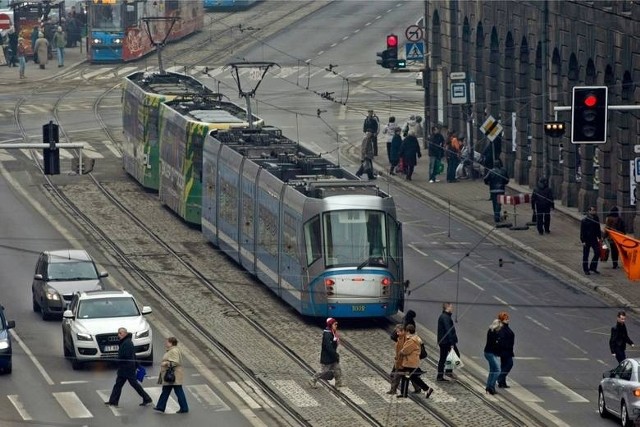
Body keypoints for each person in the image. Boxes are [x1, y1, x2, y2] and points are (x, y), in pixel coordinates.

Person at [106, 327, 153, 407]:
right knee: (118, 385)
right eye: (118, 333)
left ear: (125, 333)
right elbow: (133, 355)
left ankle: (147, 398)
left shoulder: (127, 343)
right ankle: (113, 401)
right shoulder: (125, 342)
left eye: (120, 333)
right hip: (125, 368)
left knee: (134, 384)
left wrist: (115, 360)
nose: (119, 335)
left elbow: (126, 356)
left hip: (127, 369)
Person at [397, 324, 434, 399]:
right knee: (412, 377)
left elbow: (405, 351)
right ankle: (426, 389)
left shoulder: (411, 341)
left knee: (407, 377)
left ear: (408, 331)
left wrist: (400, 352)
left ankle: (405, 393)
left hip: (409, 362)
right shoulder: (416, 338)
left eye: (406, 331)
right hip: (412, 361)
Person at [154, 337, 189, 414]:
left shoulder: (174, 351)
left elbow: (176, 362)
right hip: (172, 375)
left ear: (171, 343)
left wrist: (166, 363)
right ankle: (160, 407)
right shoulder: (173, 350)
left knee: (178, 391)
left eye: (167, 342)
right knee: (166, 391)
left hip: (173, 375)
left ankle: (184, 408)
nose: (165, 343)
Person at [309, 318, 343, 388]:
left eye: (336, 324)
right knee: (323, 372)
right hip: (327, 357)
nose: (336, 326)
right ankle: (313, 380)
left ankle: (338, 382)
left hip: (332, 357)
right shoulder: (327, 335)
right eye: (335, 324)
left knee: (337, 369)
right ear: (331, 325)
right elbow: (328, 347)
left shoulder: (332, 333)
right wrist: (335, 354)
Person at [436, 302, 459, 381]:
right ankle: (448, 372)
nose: (452, 308)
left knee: (443, 358)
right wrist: (452, 343)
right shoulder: (445, 317)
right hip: (446, 342)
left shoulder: (445, 316)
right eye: (451, 307)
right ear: (447, 307)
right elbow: (448, 331)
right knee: (455, 355)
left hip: (443, 341)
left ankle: (441, 375)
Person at [483, 159, 509, 224]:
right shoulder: (503, 171)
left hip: (493, 190)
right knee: (499, 203)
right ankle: (497, 216)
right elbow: (507, 180)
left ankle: (496, 215)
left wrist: (488, 183)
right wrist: (503, 183)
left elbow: (485, 179)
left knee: (494, 203)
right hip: (501, 190)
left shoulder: (491, 171)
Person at [580, 206, 602, 275]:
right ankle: (586, 269)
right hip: (586, 239)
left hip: (594, 239)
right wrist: (583, 241)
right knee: (586, 255)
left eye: (595, 210)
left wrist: (600, 237)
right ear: (589, 211)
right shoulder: (584, 220)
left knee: (597, 252)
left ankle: (593, 267)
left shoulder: (596, 218)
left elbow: (598, 229)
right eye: (592, 210)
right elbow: (582, 232)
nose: (594, 211)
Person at [483, 318, 502, 395]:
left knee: (492, 370)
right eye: (499, 328)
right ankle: (491, 387)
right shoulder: (494, 333)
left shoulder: (490, 331)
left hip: (488, 352)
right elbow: (495, 345)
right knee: (498, 370)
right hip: (490, 353)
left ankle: (488, 387)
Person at [496, 311, 515, 389]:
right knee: (509, 364)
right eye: (505, 319)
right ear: (501, 320)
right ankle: (499, 378)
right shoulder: (502, 328)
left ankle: (502, 383)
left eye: (507, 318)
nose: (507, 320)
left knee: (504, 365)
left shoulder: (505, 327)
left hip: (507, 350)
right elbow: (502, 340)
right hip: (505, 351)